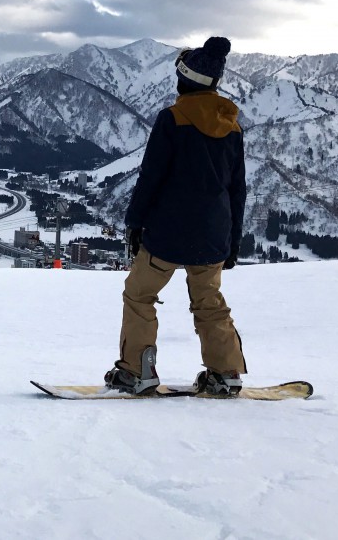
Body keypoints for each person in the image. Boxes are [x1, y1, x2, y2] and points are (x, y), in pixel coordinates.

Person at [103, 36, 248, 396]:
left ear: (183, 81)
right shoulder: (230, 126)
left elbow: (151, 176)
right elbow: (237, 191)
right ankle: (225, 372)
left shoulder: (172, 119)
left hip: (167, 233)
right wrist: (233, 241)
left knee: (139, 296)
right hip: (213, 235)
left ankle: (138, 371)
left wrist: (135, 223)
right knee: (209, 303)